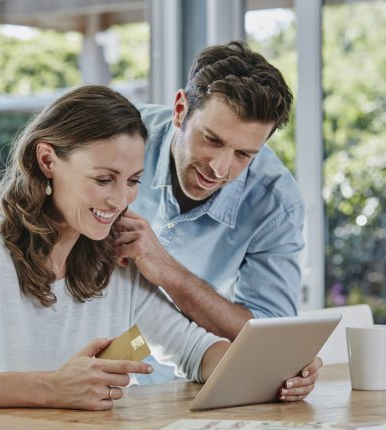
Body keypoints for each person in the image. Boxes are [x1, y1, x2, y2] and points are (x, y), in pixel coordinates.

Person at [0, 85, 321, 414]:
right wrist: (51, 388)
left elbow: (193, 352)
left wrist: (277, 370)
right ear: (48, 161)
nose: (120, 200)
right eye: (103, 180)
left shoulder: (111, 268)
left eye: (132, 182)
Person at [114, 41, 305, 381]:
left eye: (243, 154)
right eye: (212, 140)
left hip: (186, 382)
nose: (219, 168)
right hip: (72, 360)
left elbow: (271, 335)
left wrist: (167, 271)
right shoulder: (116, 138)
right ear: (179, 110)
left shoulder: (276, 205)